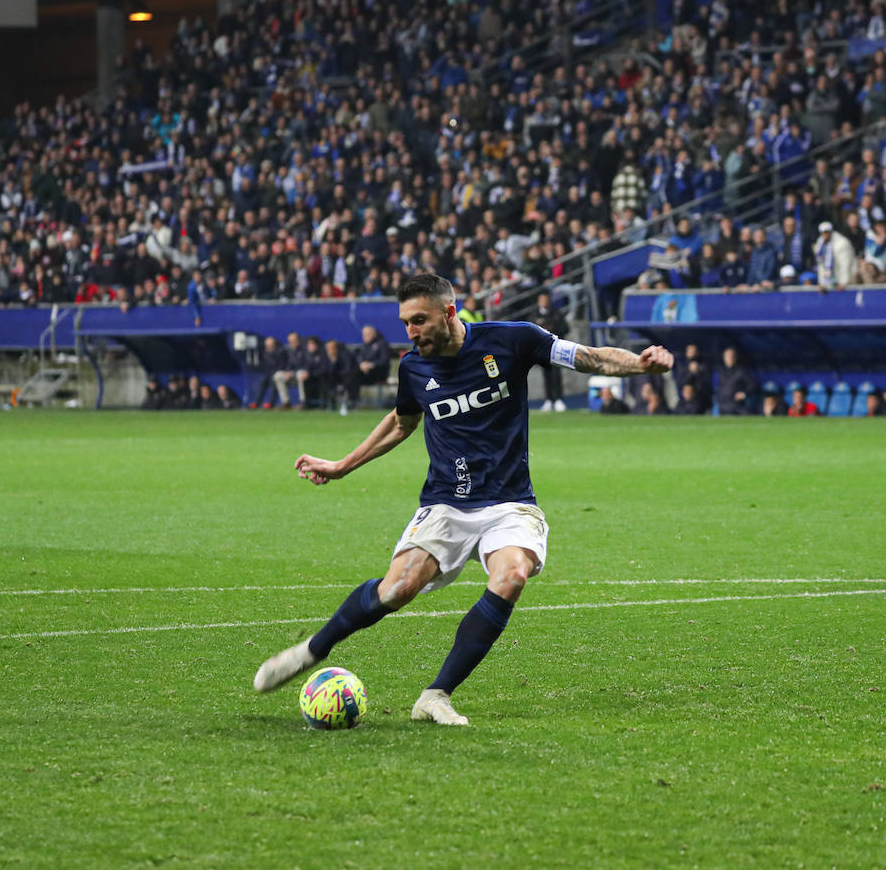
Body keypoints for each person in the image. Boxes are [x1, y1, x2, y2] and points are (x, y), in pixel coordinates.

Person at [252, 273, 673, 725]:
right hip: (446, 503)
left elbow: (586, 357)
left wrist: (639, 364)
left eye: (419, 321)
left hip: (510, 501)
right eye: (405, 323)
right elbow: (401, 423)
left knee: (512, 575)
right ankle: (313, 650)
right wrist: (340, 466)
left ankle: (436, 695)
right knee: (398, 588)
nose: (411, 332)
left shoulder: (513, 340)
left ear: (449, 313)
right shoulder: (414, 367)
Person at [530, 292, 568, 411]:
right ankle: (549, 399)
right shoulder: (533, 315)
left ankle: (558, 399)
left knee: (556, 374)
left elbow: (565, 328)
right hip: (541, 349)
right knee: (545, 374)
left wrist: (552, 328)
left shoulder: (556, 313)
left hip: (555, 348)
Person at [715, 347, 754, 414]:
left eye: (732, 356)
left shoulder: (741, 371)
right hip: (722, 404)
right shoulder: (720, 371)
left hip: (736, 405)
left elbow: (753, 384)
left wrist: (744, 393)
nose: (730, 358)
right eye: (727, 356)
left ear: (735, 357)